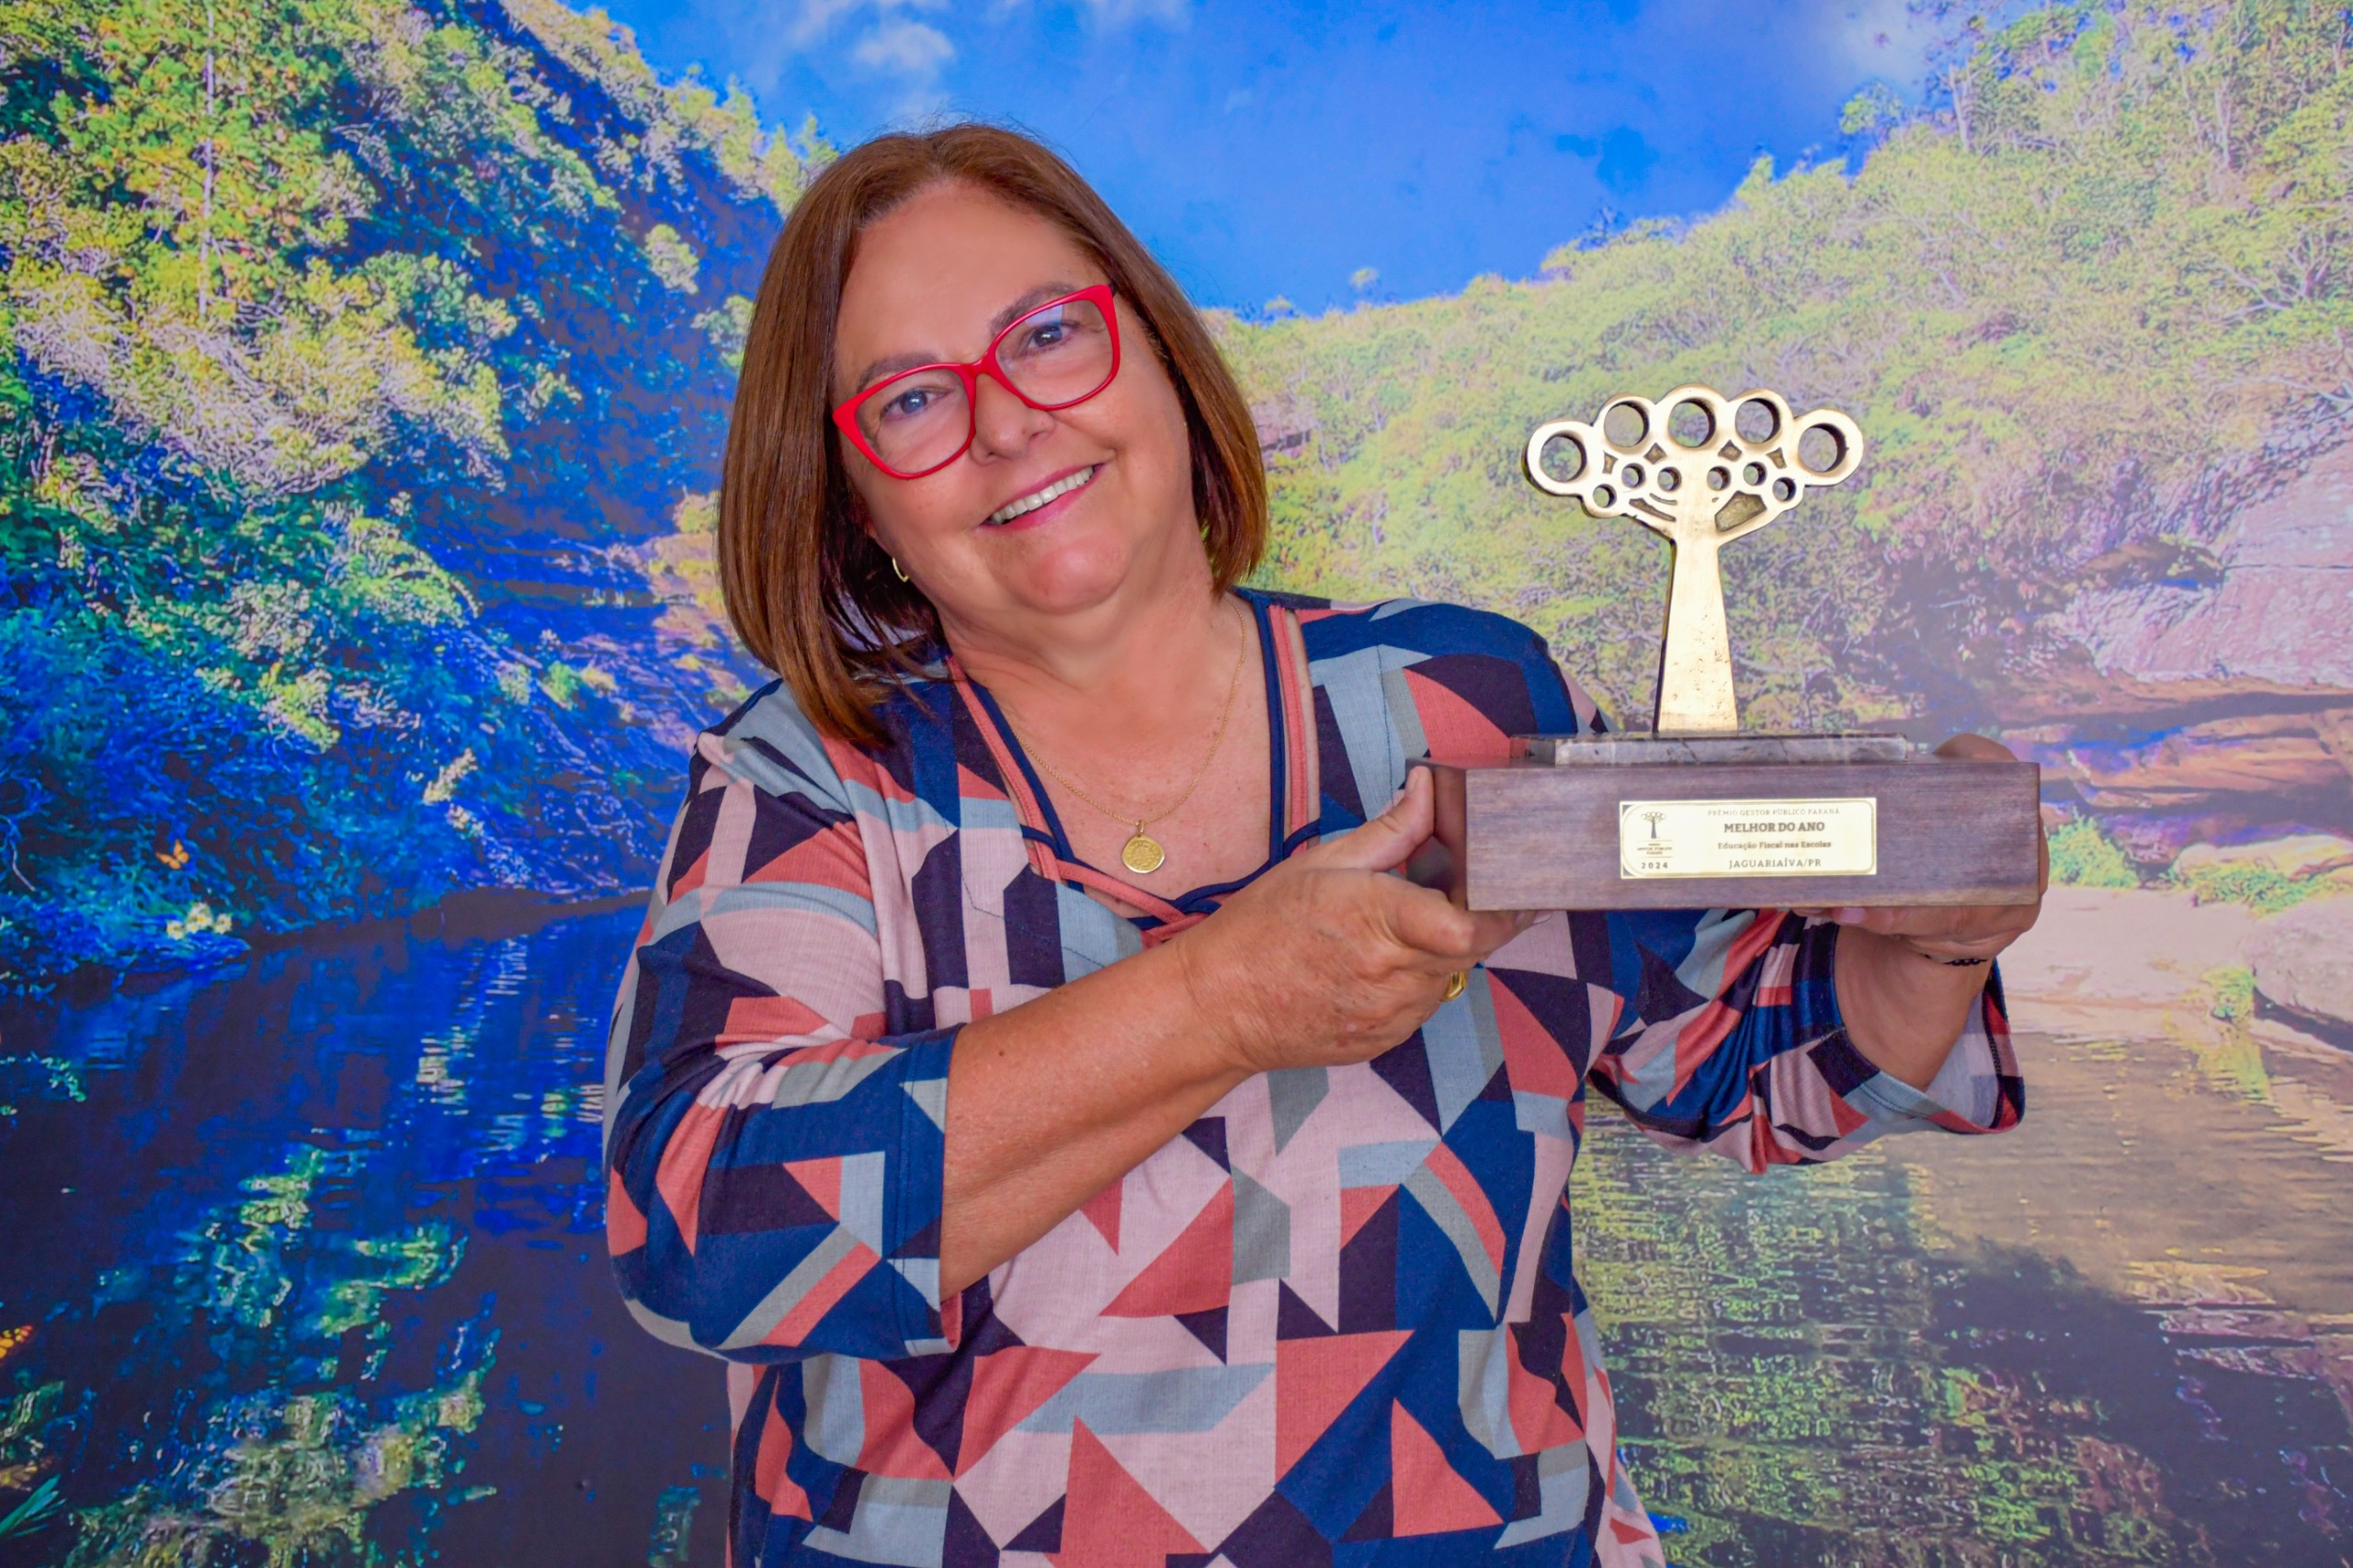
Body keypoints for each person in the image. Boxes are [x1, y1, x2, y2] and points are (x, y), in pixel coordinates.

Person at [601, 123, 2041, 1568]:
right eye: (914, 399)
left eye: (1047, 336)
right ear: (856, 502)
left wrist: (1943, 934)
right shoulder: (809, 775)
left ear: (1160, 357)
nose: (1009, 422)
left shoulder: (1473, 700)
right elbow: (702, 1241)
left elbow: (1756, 1062)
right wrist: (1218, 1000)